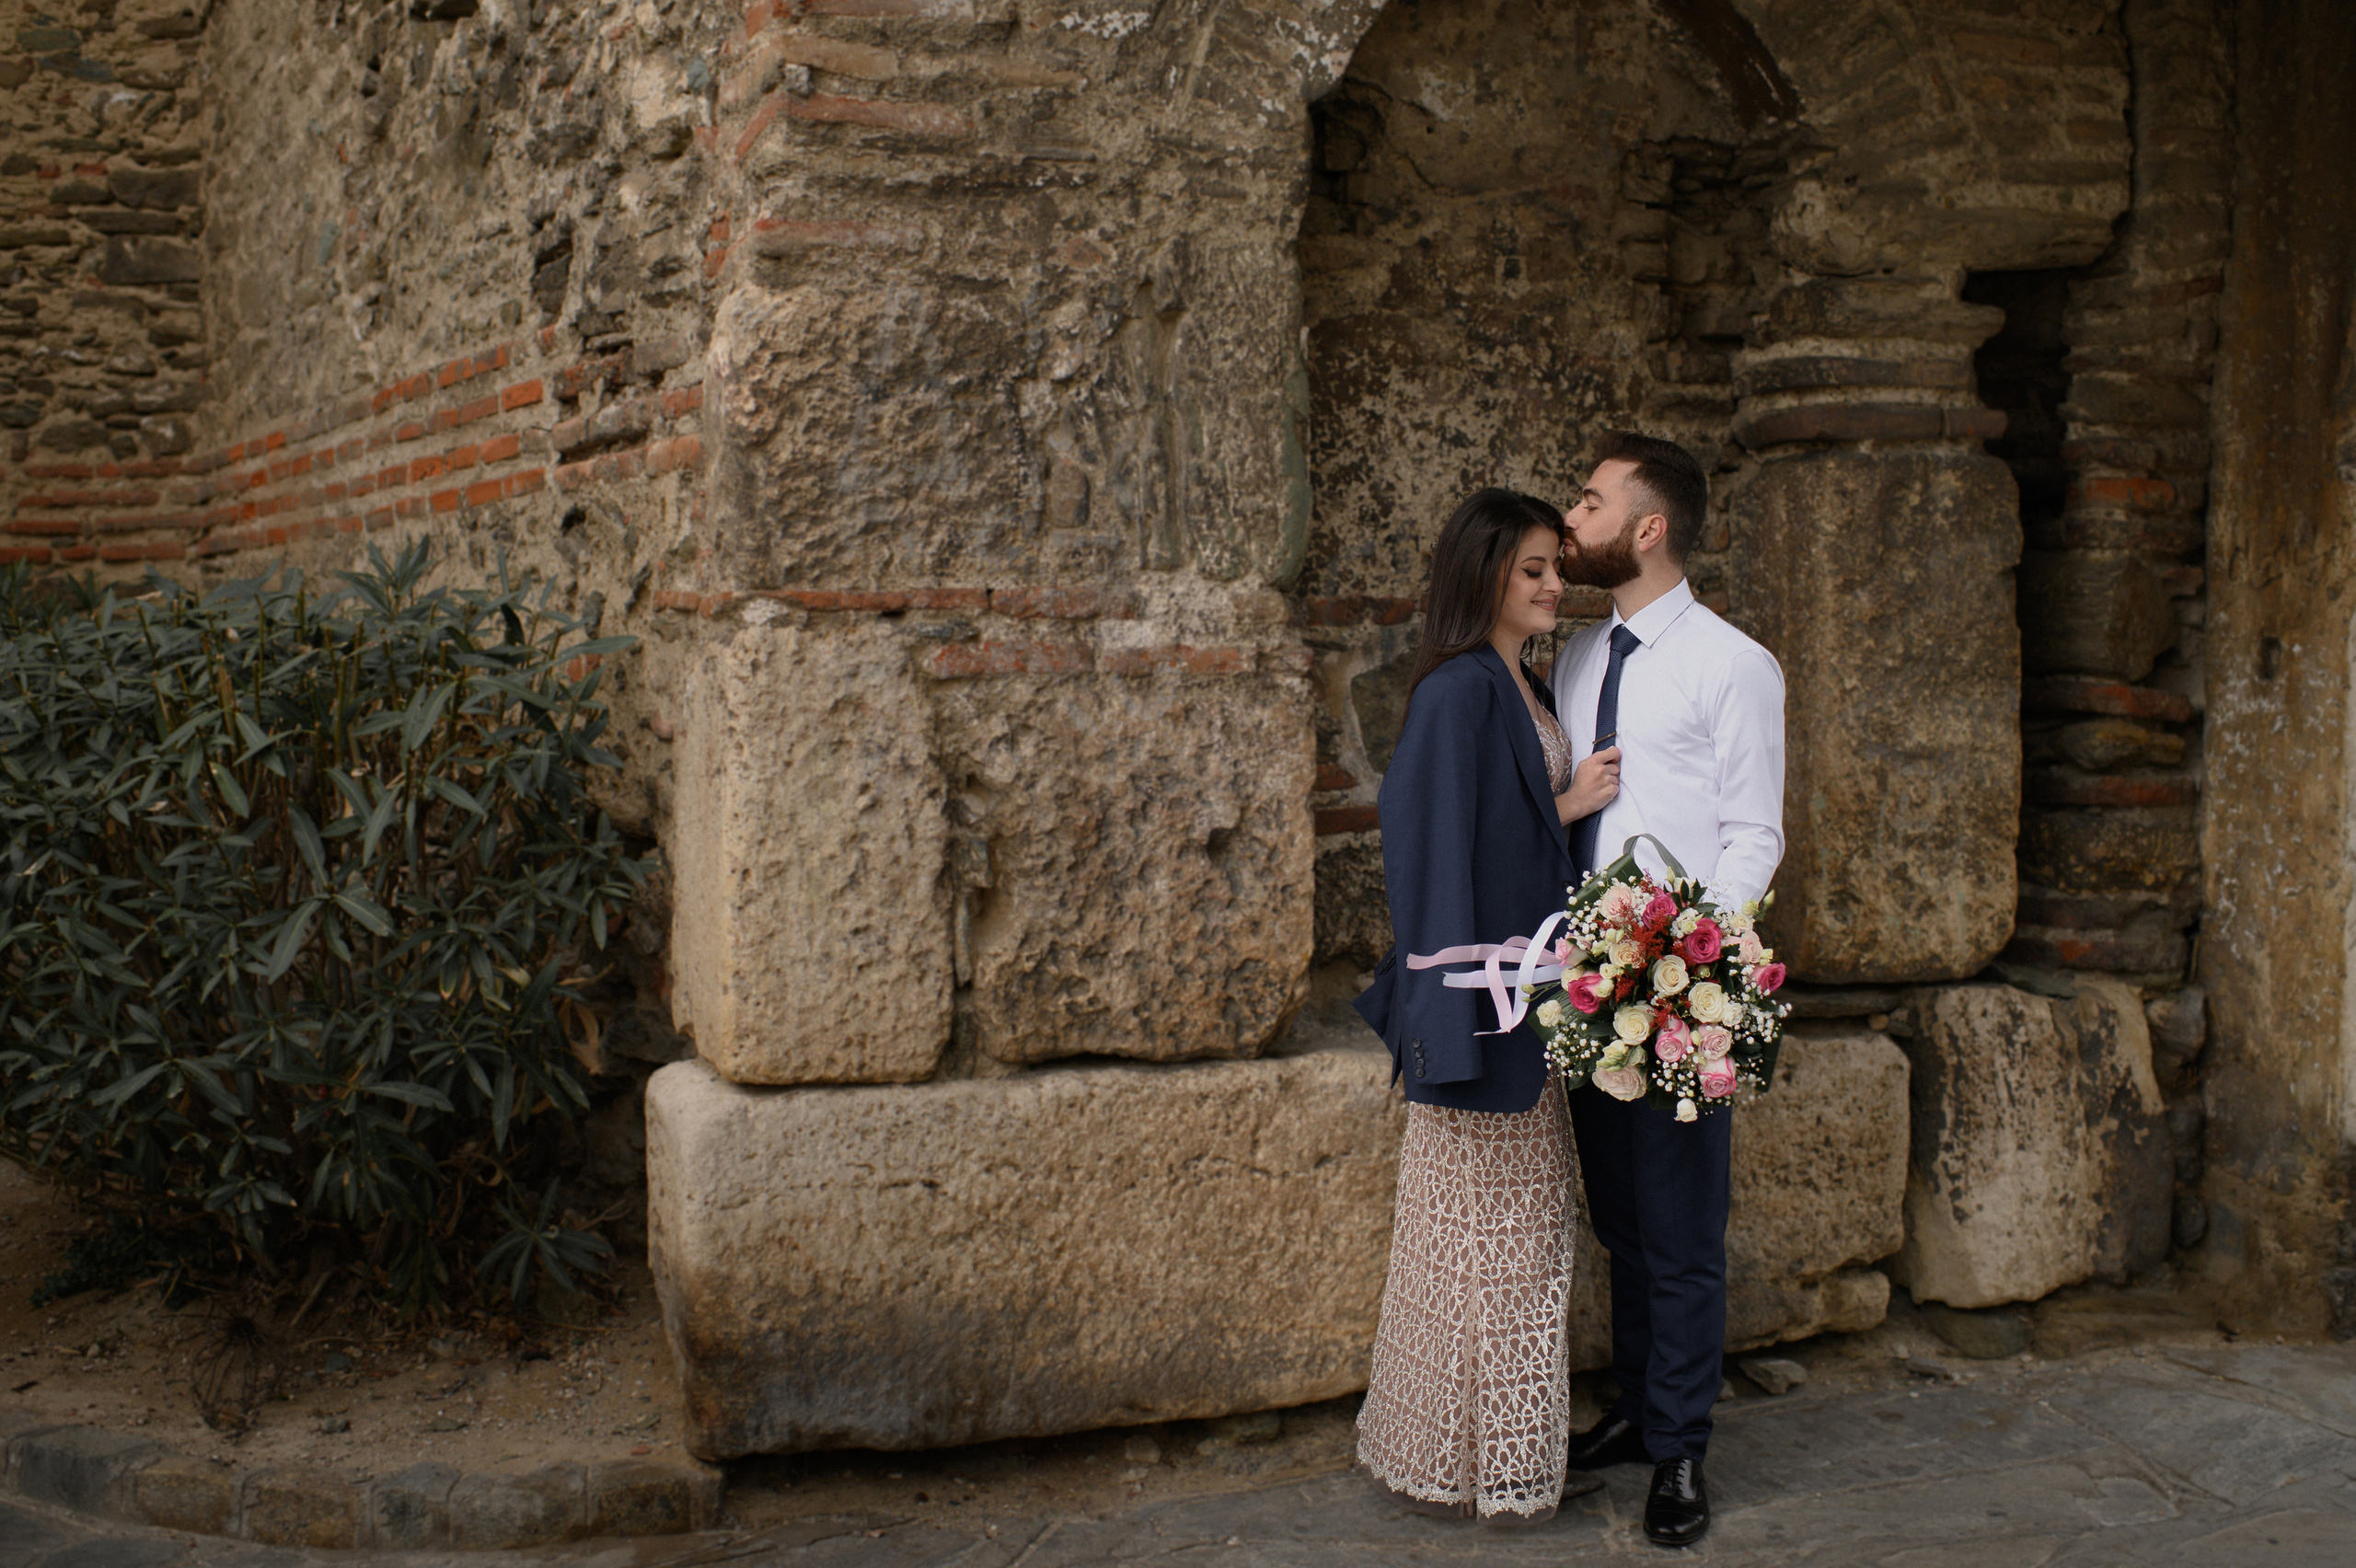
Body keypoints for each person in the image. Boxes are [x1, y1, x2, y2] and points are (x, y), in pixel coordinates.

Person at [1350, 486, 1622, 1522]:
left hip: (1529, 1008)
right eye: (1534, 571)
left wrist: (1566, 804)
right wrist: (1445, 1025)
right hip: (1482, 1009)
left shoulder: (1523, 684)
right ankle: (1488, 1470)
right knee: (1489, 1249)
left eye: (1558, 566)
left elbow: (1506, 825)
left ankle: (1492, 1460)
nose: (1556, 584)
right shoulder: (1459, 690)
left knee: (1512, 1244)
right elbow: (1426, 846)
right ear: (1486, 577)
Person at [1548, 431, 1785, 1548]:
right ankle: (1639, 1412)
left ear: (1647, 529)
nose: (1570, 523)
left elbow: (1752, 839)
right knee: (1622, 1221)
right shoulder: (1581, 659)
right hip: (1584, 985)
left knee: (1684, 1226)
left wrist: (1691, 961)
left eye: (1589, 504)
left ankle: (1680, 1450)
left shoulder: (1732, 663)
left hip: (1683, 988)